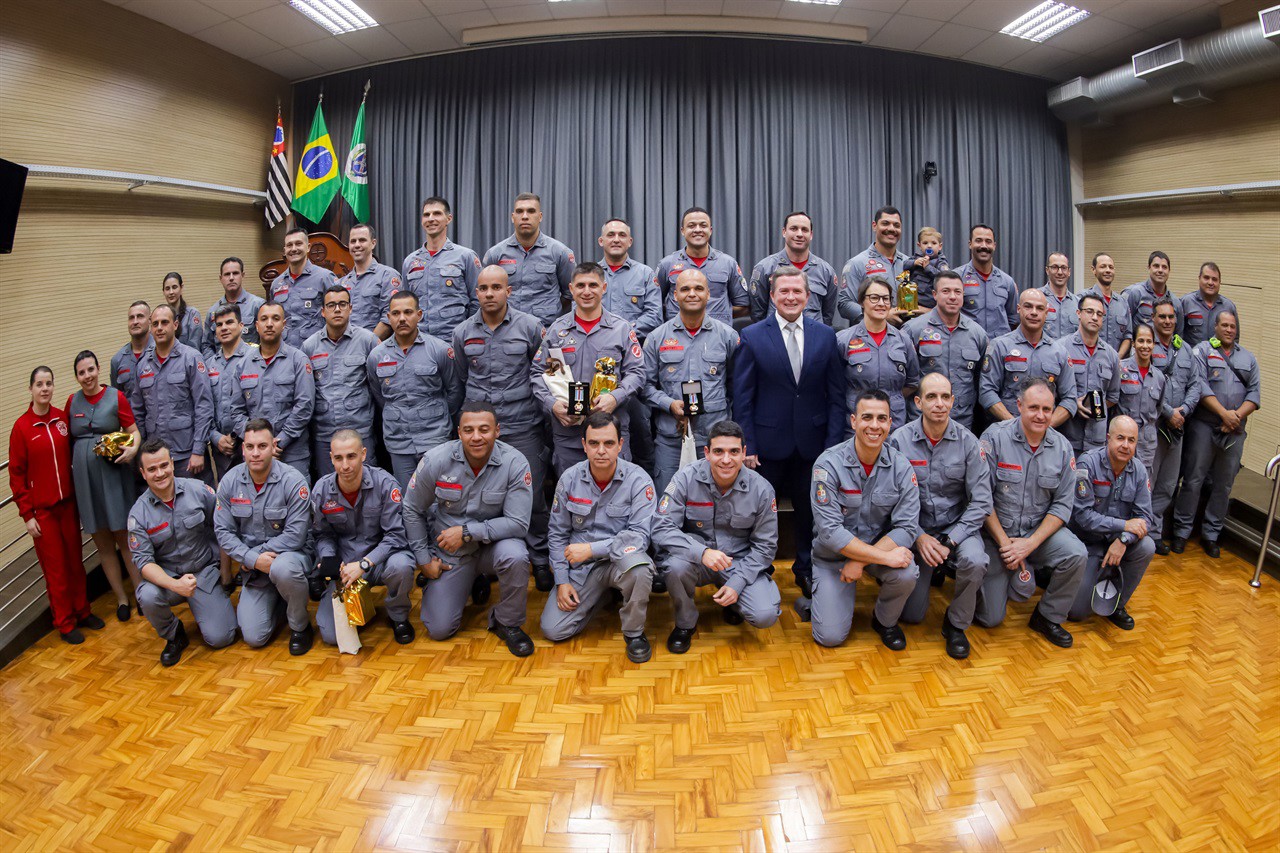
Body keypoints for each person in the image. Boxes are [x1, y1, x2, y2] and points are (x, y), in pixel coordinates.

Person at [732, 266, 845, 602]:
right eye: (784, 291)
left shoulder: (826, 336)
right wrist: (748, 444)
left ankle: (806, 570)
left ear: (808, 297)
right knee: (760, 512)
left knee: (810, 512)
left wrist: (832, 446)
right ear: (772, 296)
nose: (791, 297)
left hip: (814, 445)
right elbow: (743, 397)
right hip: (766, 446)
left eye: (797, 291)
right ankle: (759, 571)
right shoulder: (752, 336)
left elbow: (836, 397)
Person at [403, 404, 534, 655]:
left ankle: (507, 622)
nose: (476, 437)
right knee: (439, 629)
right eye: (469, 430)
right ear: (459, 433)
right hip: (453, 553)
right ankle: (471, 580)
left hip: (494, 547)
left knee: (516, 556)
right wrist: (423, 559)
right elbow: (411, 508)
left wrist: (466, 532)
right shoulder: (436, 460)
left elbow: (518, 523)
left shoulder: (515, 463)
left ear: (497, 431)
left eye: (484, 429)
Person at [453, 265, 552, 590]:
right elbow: (462, 377)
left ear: (508, 291)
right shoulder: (462, 332)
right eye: (484, 288)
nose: (490, 293)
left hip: (523, 425)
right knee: (480, 499)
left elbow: (543, 374)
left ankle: (539, 559)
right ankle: (483, 566)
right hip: (480, 433)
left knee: (532, 497)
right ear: (476, 293)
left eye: (497, 287)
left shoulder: (530, 327)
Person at [651, 420, 781, 653]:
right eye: (719, 451)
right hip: (697, 559)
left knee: (765, 614)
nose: (726, 459)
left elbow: (766, 547)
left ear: (744, 453)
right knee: (674, 566)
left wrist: (738, 583)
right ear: (707, 452)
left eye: (734, 452)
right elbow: (661, 527)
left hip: (739, 562)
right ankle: (685, 623)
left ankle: (734, 601)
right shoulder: (685, 478)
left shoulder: (762, 489)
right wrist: (701, 552)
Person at [889, 373, 993, 659]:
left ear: (953, 401)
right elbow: (891, 501)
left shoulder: (969, 442)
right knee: (912, 616)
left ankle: (956, 624)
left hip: (957, 528)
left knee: (976, 560)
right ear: (918, 402)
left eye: (945, 397)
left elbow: (981, 501)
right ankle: (932, 571)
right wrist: (919, 537)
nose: (939, 403)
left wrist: (951, 540)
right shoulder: (899, 441)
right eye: (932, 397)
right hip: (915, 529)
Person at [976, 380, 1087, 647]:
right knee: (990, 618)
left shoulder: (1062, 448)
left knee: (1076, 553)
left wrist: (1030, 544)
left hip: (1037, 535)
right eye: (1033, 407)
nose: (1040, 415)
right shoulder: (994, 438)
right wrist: (1006, 545)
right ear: (1019, 406)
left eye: (1047, 409)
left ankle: (1047, 616)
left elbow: (1062, 505)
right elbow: (981, 498)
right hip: (997, 537)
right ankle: (999, 583)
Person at [540, 412, 658, 663]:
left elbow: (640, 537)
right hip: (581, 568)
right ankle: (601, 594)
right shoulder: (569, 479)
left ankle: (634, 633)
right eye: (594, 443)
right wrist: (561, 581)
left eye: (608, 443)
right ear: (584, 445)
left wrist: (592, 549)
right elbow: (557, 533)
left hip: (621, 561)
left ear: (620, 445)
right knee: (553, 629)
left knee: (641, 569)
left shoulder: (639, 480)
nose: (601, 450)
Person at [808, 391, 921, 650]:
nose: (874, 425)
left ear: (890, 423)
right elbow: (830, 532)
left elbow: (907, 527)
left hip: (878, 551)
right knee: (830, 637)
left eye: (881, 418)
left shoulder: (901, 466)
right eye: (867, 417)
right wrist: (879, 557)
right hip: (834, 558)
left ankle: (884, 621)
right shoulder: (828, 464)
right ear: (854, 421)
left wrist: (860, 561)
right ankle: (819, 597)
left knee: (906, 573)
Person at [9, 367, 103, 644]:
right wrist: (27, 515)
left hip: (68, 506)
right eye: (39, 384)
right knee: (56, 570)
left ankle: (82, 611)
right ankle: (64, 622)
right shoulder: (22, 428)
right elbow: (16, 475)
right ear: (30, 389)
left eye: (48, 383)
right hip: (43, 512)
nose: (45, 389)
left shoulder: (62, 419)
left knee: (75, 563)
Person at [128, 439, 237, 666]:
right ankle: (174, 633)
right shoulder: (138, 514)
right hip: (167, 578)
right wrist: (174, 585)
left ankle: (208, 603)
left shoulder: (198, 491)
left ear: (172, 463)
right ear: (143, 473)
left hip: (203, 572)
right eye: (152, 469)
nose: (160, 473)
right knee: (146, 595)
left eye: (163, 465)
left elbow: (224, 529)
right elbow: (144, 562)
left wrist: (226, 575)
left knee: (221, 638)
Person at [531, 261, 645, 474]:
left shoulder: (621, 329)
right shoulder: (557, 332)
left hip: (610, 433)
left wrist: (615, 398)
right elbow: (540, 373)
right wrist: (552, 405)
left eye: (593, 285)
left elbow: (637, 373)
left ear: (604, 288)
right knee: (571, 490)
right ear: (571, 289)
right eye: (580, 285)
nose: (586, 291)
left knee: (616, 489)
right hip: (569, 435)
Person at [213, 418, 315, 653]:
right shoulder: (230, 482)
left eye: (262, 446)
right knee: (254, 637)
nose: (256, 453)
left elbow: (295, 536)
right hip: (255, 570)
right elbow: (223, 532)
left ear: (273, 447)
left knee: (283, 569)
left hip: (290, 557)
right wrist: (254, 560)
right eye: (250, 447)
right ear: (243, 449)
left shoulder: (293, 481)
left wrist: (252, 557)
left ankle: (300, 626)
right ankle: (281, 602)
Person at [311, 430, 416, 646]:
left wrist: (365, 564)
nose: (345, 465)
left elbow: (396, 536)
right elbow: (322, 534)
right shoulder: (322, 490)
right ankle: (360, 602)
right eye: (338, 458)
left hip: (380, 560)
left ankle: (398, 616)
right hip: (345, 566)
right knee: (331, 636)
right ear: (331, 458)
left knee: (402, 565)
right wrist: (330, 561)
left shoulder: (385, 484)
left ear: (363, 454)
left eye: (351, 456)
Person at [641, 269, 739, 494]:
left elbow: (736, 387)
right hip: (671, 440)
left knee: (713, 502)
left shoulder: (727, 336)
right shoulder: (657, 338)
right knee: (667, 500)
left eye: (698, 289)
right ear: (675, 295)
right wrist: (669, 404)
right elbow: (644, 386)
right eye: (685, 289)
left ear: (708, 294)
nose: (692, 294)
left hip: (715, 439)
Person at [1171, 311, 1260, 558]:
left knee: (1224, 484)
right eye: (1225, 325)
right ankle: (1181, 531)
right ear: (1216, 327)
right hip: (1204, 426)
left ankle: (1211, 534)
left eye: (1233, 326)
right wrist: (1223, 414)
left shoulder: (1248, 358)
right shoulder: (1202, 351)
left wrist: (1235, 417)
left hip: (1234, 431)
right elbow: (1199, 386)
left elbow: (1254, 394)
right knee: (1193, 480)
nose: (1229, 330)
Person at [67, 350, 141, 621]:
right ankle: (121, 599)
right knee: (102, 542)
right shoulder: (71, 402)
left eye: (90, 369)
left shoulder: (116, 397)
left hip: (114, 477)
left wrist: (133, 450)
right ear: (77, 376)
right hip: (86, 484)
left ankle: (141, 593)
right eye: (81, 372)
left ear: (98, 369)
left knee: (124, 539)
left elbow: (134, 431)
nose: (87, 376)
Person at [368, 291, 463, 487]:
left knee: (441, 495)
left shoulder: (439, 349)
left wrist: (439, 415)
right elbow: (379, 395)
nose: (402, 318)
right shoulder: (376, 356)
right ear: (388, 318)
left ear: (419, 315)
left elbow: (454, 391)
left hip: (435, 437)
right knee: (407, 497)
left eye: (408, 312)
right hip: (398, 440)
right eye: (396, 313)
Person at [1067, 416, 1154, 628]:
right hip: (1087, 544)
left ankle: (1117, 605)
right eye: (1120, 438)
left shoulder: (1139, 470)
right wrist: (1123, 526)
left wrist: (1123, 539)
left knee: (1147, 546)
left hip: (1117, 542)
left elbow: (1145, 517)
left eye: (1131, 440)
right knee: (1076, 613)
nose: (1125, 445)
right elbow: (1083, 516)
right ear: (1108, 438)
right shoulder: (1087, 463)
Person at [598, 217, 660, 474]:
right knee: (599, 428)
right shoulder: (591, 274)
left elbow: (654, 316)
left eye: (622, 235)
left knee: (641, 430)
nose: (616, 239)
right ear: (601, 241)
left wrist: (620, 333)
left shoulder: (645, 274)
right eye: (611, 235)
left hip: (634, 364)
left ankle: (644, 487)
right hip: (595, 364)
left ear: (630, 241)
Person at [228, 301, 316, 477]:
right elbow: (236, 411)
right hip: (256, 454)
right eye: (264, 319)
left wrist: (280, 442)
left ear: (284, 325)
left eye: (275, 318)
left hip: (291, 452)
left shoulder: (298, 360)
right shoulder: (243, 365)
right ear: (256, 325)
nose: (269, 324)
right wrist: (259, 443)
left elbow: (304, 406)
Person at [130, 304, 214, 481]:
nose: (159, 328)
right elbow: (137, 411)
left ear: (175, 325)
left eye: (164, 322)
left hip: (187, 454)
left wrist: (198, 450)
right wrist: (143, 451)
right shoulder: (143, 364)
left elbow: (203, 405)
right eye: (155, 324)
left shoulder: (191, 358)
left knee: (195, 497)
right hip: (157, 455)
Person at [303, 285, 380, 478]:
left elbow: (378, 388)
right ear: (323, 311)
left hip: (360, 430)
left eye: (342, 304)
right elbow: (306, 392)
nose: (337, 309)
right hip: (324, 434)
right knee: (329, 487)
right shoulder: (309, 346)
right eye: (331, 305)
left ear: (350, 308)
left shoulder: (368, 340)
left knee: (366, 484)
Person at [902, 271, 989, 430]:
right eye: (946, 291)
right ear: (934, 294)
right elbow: (902, 379)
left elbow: (980, 380)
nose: (952, 297)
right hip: (921, 421)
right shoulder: (913, 330)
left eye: (958, 292)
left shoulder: (977, 334)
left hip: (962, 423)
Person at [1149, 297, 1201, 555]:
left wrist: (1184, 411)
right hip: (1154, 427)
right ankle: (1140, 533)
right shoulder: (1147, 345)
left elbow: (1196, 384)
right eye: (1162, 317)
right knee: (1147, 482)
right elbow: (1145, 384)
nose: (1168, 321)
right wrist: (1169, 412)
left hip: (1177, 428)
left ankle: (1154, 534)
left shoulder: (1185, 350)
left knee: (1168, 485)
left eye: (1171, 317)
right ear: (1153, 319)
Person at [836, 276, 921, 433]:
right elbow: (834, 386)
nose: (881, 303)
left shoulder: (903, 340)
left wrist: (891, 396)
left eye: (886, 298)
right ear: (862, 302)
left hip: (894, 427)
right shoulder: (843, 340)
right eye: (874, 298)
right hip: (855, 428)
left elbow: (912, 382)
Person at [979, 288, 1076, 426]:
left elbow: (1070, 399)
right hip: (1005, 431)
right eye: (1028, 306)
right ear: (1019, 309)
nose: (1034, 312)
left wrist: (1044, 426)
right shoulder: (1000, 346)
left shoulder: (1060, 352)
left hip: (1045, 433)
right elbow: (986, 392)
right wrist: (1014, 425)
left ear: (1046, 313)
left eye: (1040, 308)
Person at [482, 192, 575, 325]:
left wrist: (556, 323)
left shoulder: (560, 253)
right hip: (507, 329)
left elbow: (570, 294)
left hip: (547, 329)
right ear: (513, 217)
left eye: (531, 211)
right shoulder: (495, 254)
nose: (525, 216)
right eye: (520, 211)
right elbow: (485, 294)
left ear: (540, 216)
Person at [402, 197, 481, 341]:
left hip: (454, 339)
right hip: (419, 341)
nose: (431, 219)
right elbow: (406, 304)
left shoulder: (465, 256)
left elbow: (477, 301)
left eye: (437, 213)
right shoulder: (410, 261)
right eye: (426, 215)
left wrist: (467, 334)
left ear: (449, 219)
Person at [654, 206, 749, 325]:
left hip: (717, 334)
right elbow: (655, 304)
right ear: (682, 231)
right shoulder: (667, 264)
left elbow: (743, 306)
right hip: (677, 332)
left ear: (710, 230)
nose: (698, 230)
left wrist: (719, 315)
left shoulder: (728, 263)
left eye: (703, 226)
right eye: (691, 226)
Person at [1055, 293, 1122, 455]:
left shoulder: (1111, 355)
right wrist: (1071, 404)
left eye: (1099, 314)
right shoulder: (1060, 349)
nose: (1094, 317)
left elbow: (1112, 397)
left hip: (1096, 440)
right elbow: (1050, 391)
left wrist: (1094, 404)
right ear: (1079, 313)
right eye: (1089, 311)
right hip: (1066, 435)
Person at [749, 211, 838, 324]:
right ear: (784, 232)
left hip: (813, 334)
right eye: (794, 229)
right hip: (775, 333)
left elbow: (827, 315)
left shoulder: (826, 271)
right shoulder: (764, 268)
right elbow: (757, 313)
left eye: (804, 230)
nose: (799, 234)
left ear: (811, 235)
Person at [838, 206, 912, 326]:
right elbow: (844, 304)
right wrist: (881, 315)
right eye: (885, 223)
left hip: (904, 333)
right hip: (869, 334)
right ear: (874, 226)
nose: (891, 229)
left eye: (896, 225)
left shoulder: (910, 263)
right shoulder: (857, 263)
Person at [269, 227, 339, 348]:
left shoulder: (325, 278)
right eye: (289, 245)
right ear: (285, 250)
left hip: (317, 350)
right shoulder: (276, 284)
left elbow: (339, 316)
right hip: (285, 351)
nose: (294, 249)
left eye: (298, 244)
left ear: (308, 247)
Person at [206, 304, 251, 481]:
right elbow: (204, 407)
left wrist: (238, 436)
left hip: (251, 445)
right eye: (219, 324)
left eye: (229, 322)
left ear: (241, 326)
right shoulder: (209, 365)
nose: (224, 328)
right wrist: (215, 437)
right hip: (221, 450)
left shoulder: (255, 358)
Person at [1116, 324, 1166, 475]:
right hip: (1121, 441)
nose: (1145, 346)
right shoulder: (1120, 369)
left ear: (1154, 344)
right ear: (1133, 343)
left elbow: (1158, 408)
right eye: (1141, 341)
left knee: (1143, 484)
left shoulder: (1159, 377)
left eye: (1149, 341)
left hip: (1146, 445)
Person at [339, 223, 402, 338]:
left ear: (373, 243)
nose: (357, 245)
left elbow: (389, 318)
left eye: (362, 240)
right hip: (344, 346)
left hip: (376, 346)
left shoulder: (388, 276)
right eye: (353, 241)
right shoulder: (341, 283)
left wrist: (366, 344)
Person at [955, 224, 1019, 338]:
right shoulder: (956, 278)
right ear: (970, 244)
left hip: (999, 346)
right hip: (968, 343)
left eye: (988, 241)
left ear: (994, 246)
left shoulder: (1007, 281)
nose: (984, 246)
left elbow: (1014, 320)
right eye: (978, 240)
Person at [203, 256, 264, 355]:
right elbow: (206, 345)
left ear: (242, 275)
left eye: (235, 273)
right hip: (221, 363)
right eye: (227, 274)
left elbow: (267, 340)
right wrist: (214, 362)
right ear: (221, 278)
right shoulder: (212, 311)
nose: (231, 278)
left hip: (251, 362)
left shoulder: (258, 305)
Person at [1179, 261, 1239, 348]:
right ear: (1199, 278)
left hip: (1219, 356)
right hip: (1191, 355)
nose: (1210, 282)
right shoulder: (1185, 302)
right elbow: (1177, 334)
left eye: (1214, 279)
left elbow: (1235, 338)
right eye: (1206, 278)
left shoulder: (1229, 307)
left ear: (1219, 282)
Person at [1082, 253, 1132, 357]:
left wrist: (1117, 358)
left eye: (1111, 267)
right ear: (1093, 270)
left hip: (1116, 362)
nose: (1108, 270)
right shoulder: (1083, 298)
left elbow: (1128, 336)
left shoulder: (1122, 302)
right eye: (1103, 266)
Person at [1122, 251, 1179, 335]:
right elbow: (1123, 327)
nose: (1160, 270)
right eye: (1156, 266)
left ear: (1169, 271)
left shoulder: (1176, 302)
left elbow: (1178, 335)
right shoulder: (1134, 293)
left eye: (1164, 267)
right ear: (1149, 268)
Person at [110, 300, 152, 399]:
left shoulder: (162, 352)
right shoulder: (117, 360)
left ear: (150, 320)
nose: (135, 322)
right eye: (131, 318)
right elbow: (117, 399)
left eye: (140, 316)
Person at [906, 226, 950, 310]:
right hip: (912, 298)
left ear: (940, 246)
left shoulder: (941, 261)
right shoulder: (916, 257)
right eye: (925, 243)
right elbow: (904, 265)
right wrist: (914, 263)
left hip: (929, 301)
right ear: (919, 245)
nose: (929, 246)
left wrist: (927, 267)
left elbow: (944, 277)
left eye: (934, 243)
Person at [1039, 252, 1078, 341]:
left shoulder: (1078, 304)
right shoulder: (1036, 299)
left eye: (1064, 268)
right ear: (1047, 270)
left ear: (1069, 272)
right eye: (1055, 267)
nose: (1060, 272)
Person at [160, 272, 203, 346]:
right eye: (167, 289)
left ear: (181, 288)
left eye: (174, 287)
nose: (171, 292)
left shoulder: (192, 314)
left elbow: (195, 347)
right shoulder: (160, 316)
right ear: (163, 292)